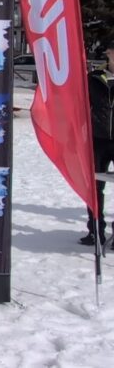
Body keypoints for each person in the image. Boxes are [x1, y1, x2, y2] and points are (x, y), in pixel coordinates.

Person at [82, 37, 114, 246]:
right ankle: (95, 230)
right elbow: (82, 105)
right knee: (94, 187)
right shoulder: (94, 77)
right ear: (109, 54)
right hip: (98, 140)